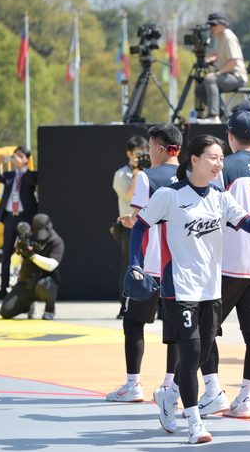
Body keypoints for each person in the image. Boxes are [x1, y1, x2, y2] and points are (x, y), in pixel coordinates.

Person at [133, 134, 250, 443]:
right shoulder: (169, 195)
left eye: (220, 158)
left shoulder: (221, 197)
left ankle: (169, 394)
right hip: (180, 287)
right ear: (194, 160)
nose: (219, 163)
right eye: (213, 158)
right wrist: (135, 265)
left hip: (211, 289)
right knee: (191, 353)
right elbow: (140, 225)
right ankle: (194, 423)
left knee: (203, 352)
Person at [197, 110, 250, 419]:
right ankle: (245, 399)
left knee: (205, 330)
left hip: (227, 263)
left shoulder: (223, 168)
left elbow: (208, 213)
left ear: (229, 136)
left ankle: (213, 392)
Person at [109, 124, 182, 404]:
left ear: (160, 148)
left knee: (133, 323)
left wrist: (129, 221)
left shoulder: (147, 176)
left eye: (150, 147)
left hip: (150, 265)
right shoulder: (191, 175)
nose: (148, 153)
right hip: (179, 265)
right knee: (175, 329)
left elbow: (140, 218)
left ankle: (133, 385)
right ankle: (170, 385)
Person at [0, 147, 38, 301]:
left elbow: (33, 182)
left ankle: (25, 286)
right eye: (15, 156)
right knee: (6, 253)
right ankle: (3, 288)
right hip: (10, 217)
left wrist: (23, 168)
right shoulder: (10, 175)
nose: (16, 158)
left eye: (20, 156)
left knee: (26, 251)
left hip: (25, 218)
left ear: (26, 159)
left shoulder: (31, 175)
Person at [0, 214, 63, 320]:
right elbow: (15, 263)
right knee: (5, 312)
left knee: (46, 285)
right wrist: (18, 252)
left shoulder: (56, 242)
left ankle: (49, 309)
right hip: (25, 282)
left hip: (44, 281)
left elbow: (51, 265)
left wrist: (33, 256)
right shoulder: (25, 237)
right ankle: (28, 306)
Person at [112, 135, 148, 315]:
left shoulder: (150, 172)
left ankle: (152, 306)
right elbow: (129, 196)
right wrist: (136, 172)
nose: (140, 157)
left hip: (150, 226)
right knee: (130, 266)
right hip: (130, 227)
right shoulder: (122, 174)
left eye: (144, 152)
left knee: (152, 265)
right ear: (129, 154)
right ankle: (125, 306)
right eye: (137, 153)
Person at [194, 12, 248, 124]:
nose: (211, 27)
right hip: (228, 75)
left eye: (214, 24)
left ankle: (214, 116)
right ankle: (223, 114)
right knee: (199, 90)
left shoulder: (228, 37)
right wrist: (214, 59)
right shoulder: (222, 37)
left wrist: (217, 73)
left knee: (210, 79)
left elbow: (234, 60)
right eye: (210, 25)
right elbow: (227, 56)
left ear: (223, 24)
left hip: (237, 77)